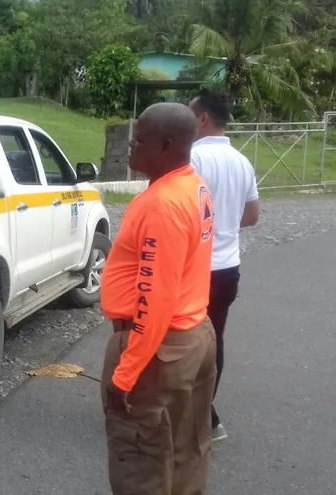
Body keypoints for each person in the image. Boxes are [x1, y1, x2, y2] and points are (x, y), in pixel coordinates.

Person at [100, 102, 217, 495]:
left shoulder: (163, 205)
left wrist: (126, 372)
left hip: (157, 347)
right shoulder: (192, 184)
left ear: (167, 146)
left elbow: (155, 297)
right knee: (187, 450)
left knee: (141, 462)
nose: (131, 146)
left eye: (141, 140)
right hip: (194, 333)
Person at [188, 89, 261, 443]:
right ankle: (206, 414)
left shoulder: (192, 159)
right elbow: (252, 216)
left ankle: (193, 415)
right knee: (214, 339)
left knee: (179, 340)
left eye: (190, 114)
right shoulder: (242, 161)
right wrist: (224, 224)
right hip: (228, 268)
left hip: (193, 268)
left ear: (202, 118)